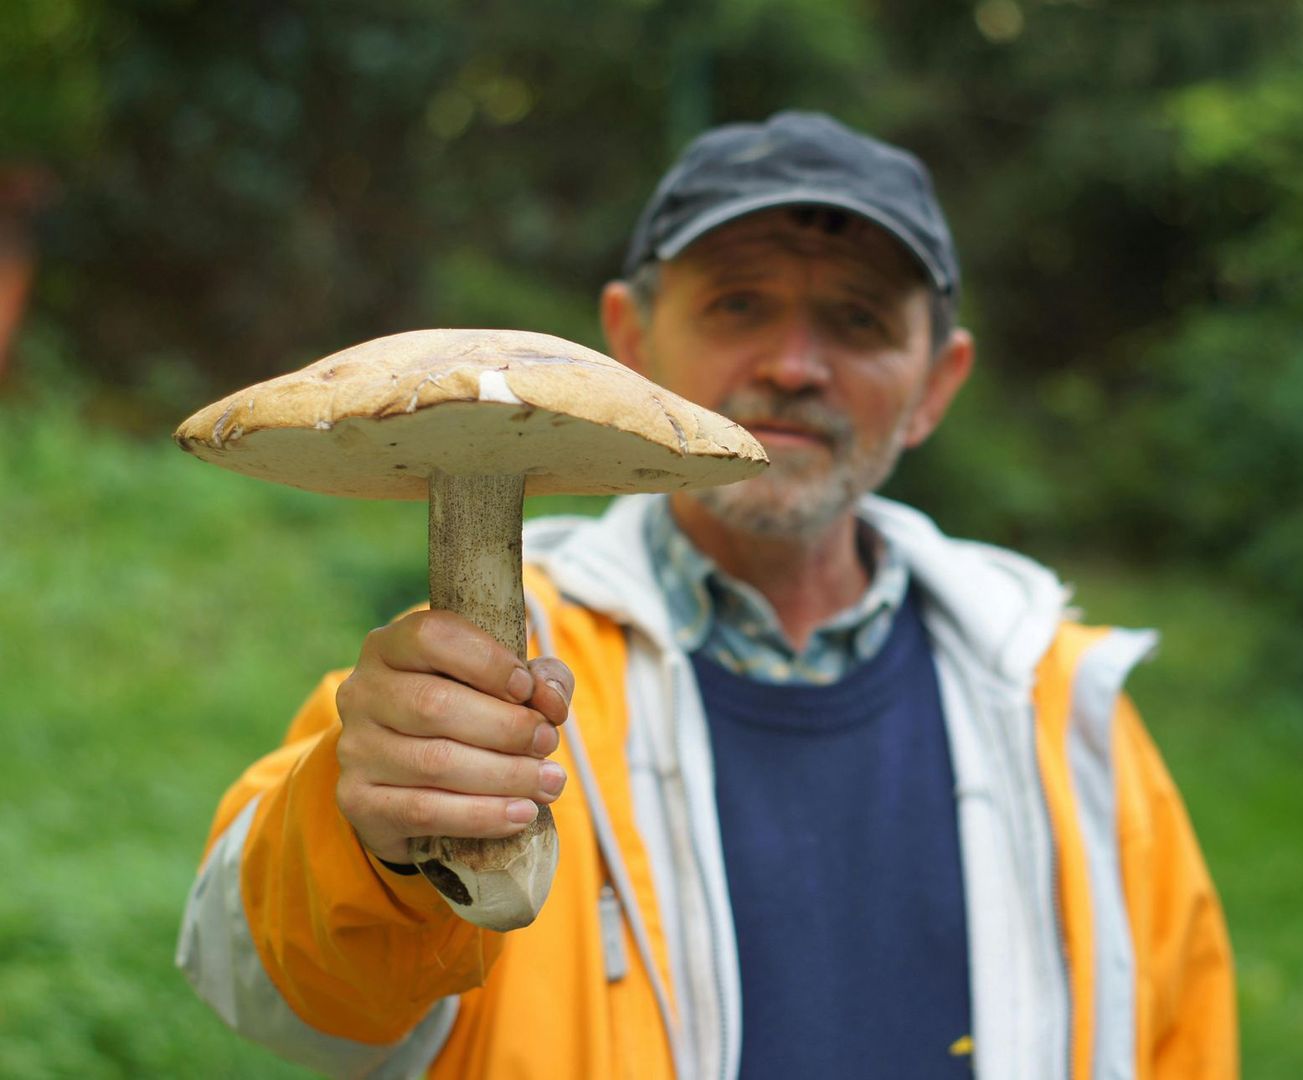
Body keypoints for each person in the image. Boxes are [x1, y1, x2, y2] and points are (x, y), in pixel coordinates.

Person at [178, 110, 1236, 1079]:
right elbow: (264, 991)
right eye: (737, 303)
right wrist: (373, 837)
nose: (792, 365)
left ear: (935, 384)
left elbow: (1180, 1034)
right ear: (628, 340)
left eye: (859, 319)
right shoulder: (462, 681)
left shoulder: (1058, 700)